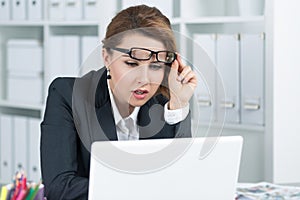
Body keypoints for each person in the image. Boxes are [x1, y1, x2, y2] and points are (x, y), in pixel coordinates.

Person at [40, 4, 197, 200]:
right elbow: (59, 187)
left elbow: (181, 179)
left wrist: (178, 106)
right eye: (131, 64)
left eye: (156, 66)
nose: (144, 79)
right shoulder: (67, 95)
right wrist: (139, 188)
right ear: (106, 57)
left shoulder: (167, 101)